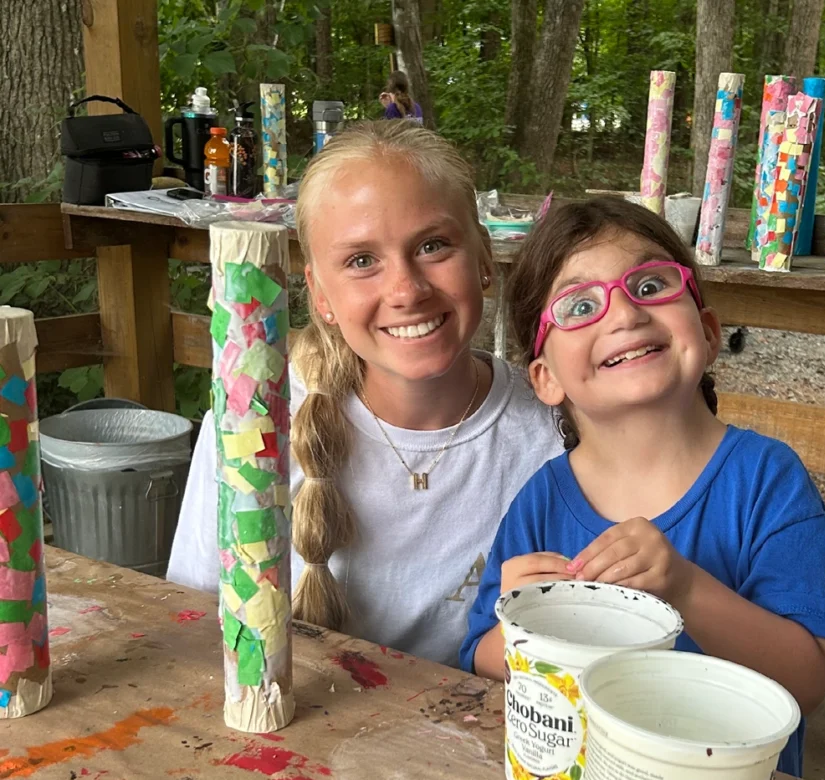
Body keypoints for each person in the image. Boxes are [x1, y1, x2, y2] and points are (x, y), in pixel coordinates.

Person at [459, 196, 825, 777]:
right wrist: (524, 629)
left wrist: (685, 588)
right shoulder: (542, 500)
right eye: (579, 305)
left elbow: (806, 684)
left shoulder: (765, 480)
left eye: (650, 286)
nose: (624, 314)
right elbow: (480, 655)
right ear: (545, 378)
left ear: (705, 330)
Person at [167, 120, 560, 666]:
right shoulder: (255, 426)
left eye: (433, 245)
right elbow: (191, 627)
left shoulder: (552, 434)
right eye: (360, 261)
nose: (406, 290)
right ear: (320, 294)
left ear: (484, 260)